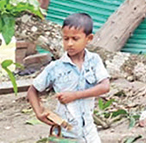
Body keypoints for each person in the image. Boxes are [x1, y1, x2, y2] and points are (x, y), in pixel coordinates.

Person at [27, 13, 110, 143]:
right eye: (66, 39)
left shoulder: (94, 61)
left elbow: (105, 87)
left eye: (75, 39)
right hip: (65, 133)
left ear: (89, 38)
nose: (70, 43)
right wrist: (39, 112)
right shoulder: (55, 68)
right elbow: (33, 90)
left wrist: (75, 95)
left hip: (89, 132)